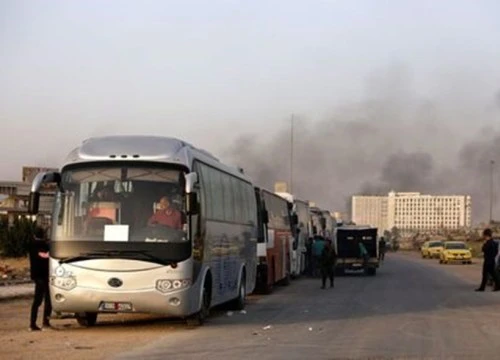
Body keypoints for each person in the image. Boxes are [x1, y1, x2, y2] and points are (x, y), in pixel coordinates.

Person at [29, 227, 52, 331]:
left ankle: (32, 323)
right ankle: (45, 322)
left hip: (37, 276)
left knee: (37, 301)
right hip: (44, 276)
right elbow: (45, 255)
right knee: (48, 300)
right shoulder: (44, 246)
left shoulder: (32, 245)